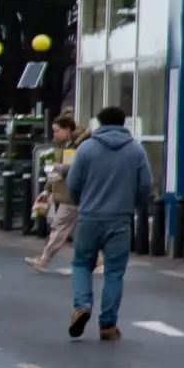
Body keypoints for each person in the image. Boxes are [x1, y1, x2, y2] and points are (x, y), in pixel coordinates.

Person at [61, 104, 153, 340]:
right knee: (114, 272)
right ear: (123, 123)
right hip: (120, 219)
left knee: (82, 264)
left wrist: (83, 200)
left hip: (90, 217)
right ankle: (108, 324)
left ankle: (82, 305)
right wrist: (131, 203)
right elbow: (145, 186)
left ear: (99, 123)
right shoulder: (135, 150)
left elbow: (72, 184)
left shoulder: (86, 149)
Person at [33, 113, 81, 273]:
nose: (54, 134)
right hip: (66, 192)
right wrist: (47, 190)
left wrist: (60, 168)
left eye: (57, 130)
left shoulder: (77, 146)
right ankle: (99, 261)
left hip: (73, 194)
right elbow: (58, 171)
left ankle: (44, 260)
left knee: (59, 226)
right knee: (80, 231)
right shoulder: (61, 146)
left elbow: (73, 169)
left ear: (68, 129)